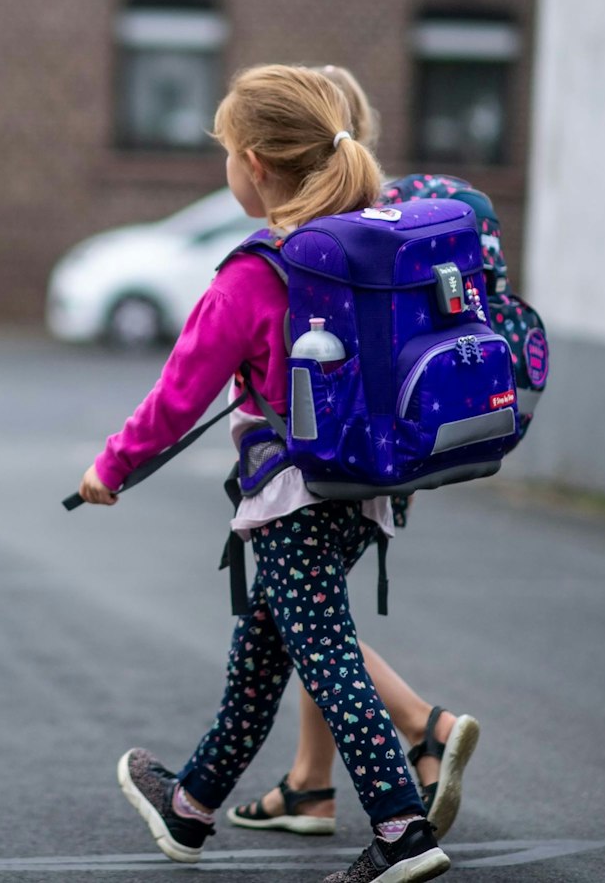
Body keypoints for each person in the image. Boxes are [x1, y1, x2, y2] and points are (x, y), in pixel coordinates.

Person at [81, 65, 450, 883]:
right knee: (262, 651)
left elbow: (178, 397)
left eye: (224, 153)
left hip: (293, 494)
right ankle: (191, 808)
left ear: (252, 161)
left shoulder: (255, 271)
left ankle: (402, 830)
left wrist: (111, 468)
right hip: (370, 486)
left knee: (322, 654)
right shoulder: (371, 244)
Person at [224, 66, 482, 843]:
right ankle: (309, 783)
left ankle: (421, 724)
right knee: (314, 615)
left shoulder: (318, 243)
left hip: (324, 457)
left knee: (315, 625)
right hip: (388, 452)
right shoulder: (378, 220)